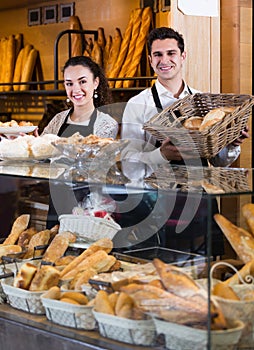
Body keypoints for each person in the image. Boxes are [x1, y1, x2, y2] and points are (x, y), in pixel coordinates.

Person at [114, 27, 249, 256]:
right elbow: (130, 167)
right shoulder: (137, 105)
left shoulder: (203, 102)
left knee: (204, 276)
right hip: (156, 206)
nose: (164, 60)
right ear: (150, 59)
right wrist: (162, 156)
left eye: (171, 53)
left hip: (201, 202)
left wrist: (232, 144)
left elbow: (217, 161)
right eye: (157, 55)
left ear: (183, 56)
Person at [41, 56, 119, 228]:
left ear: (95, 83)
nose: (76, 89)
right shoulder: (58, 119)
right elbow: (42, 152)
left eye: (82, 81)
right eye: (69, 83)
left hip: (89, 205)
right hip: (57, 201)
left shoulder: (107, 124)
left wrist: (52, 150)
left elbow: (92, 162)